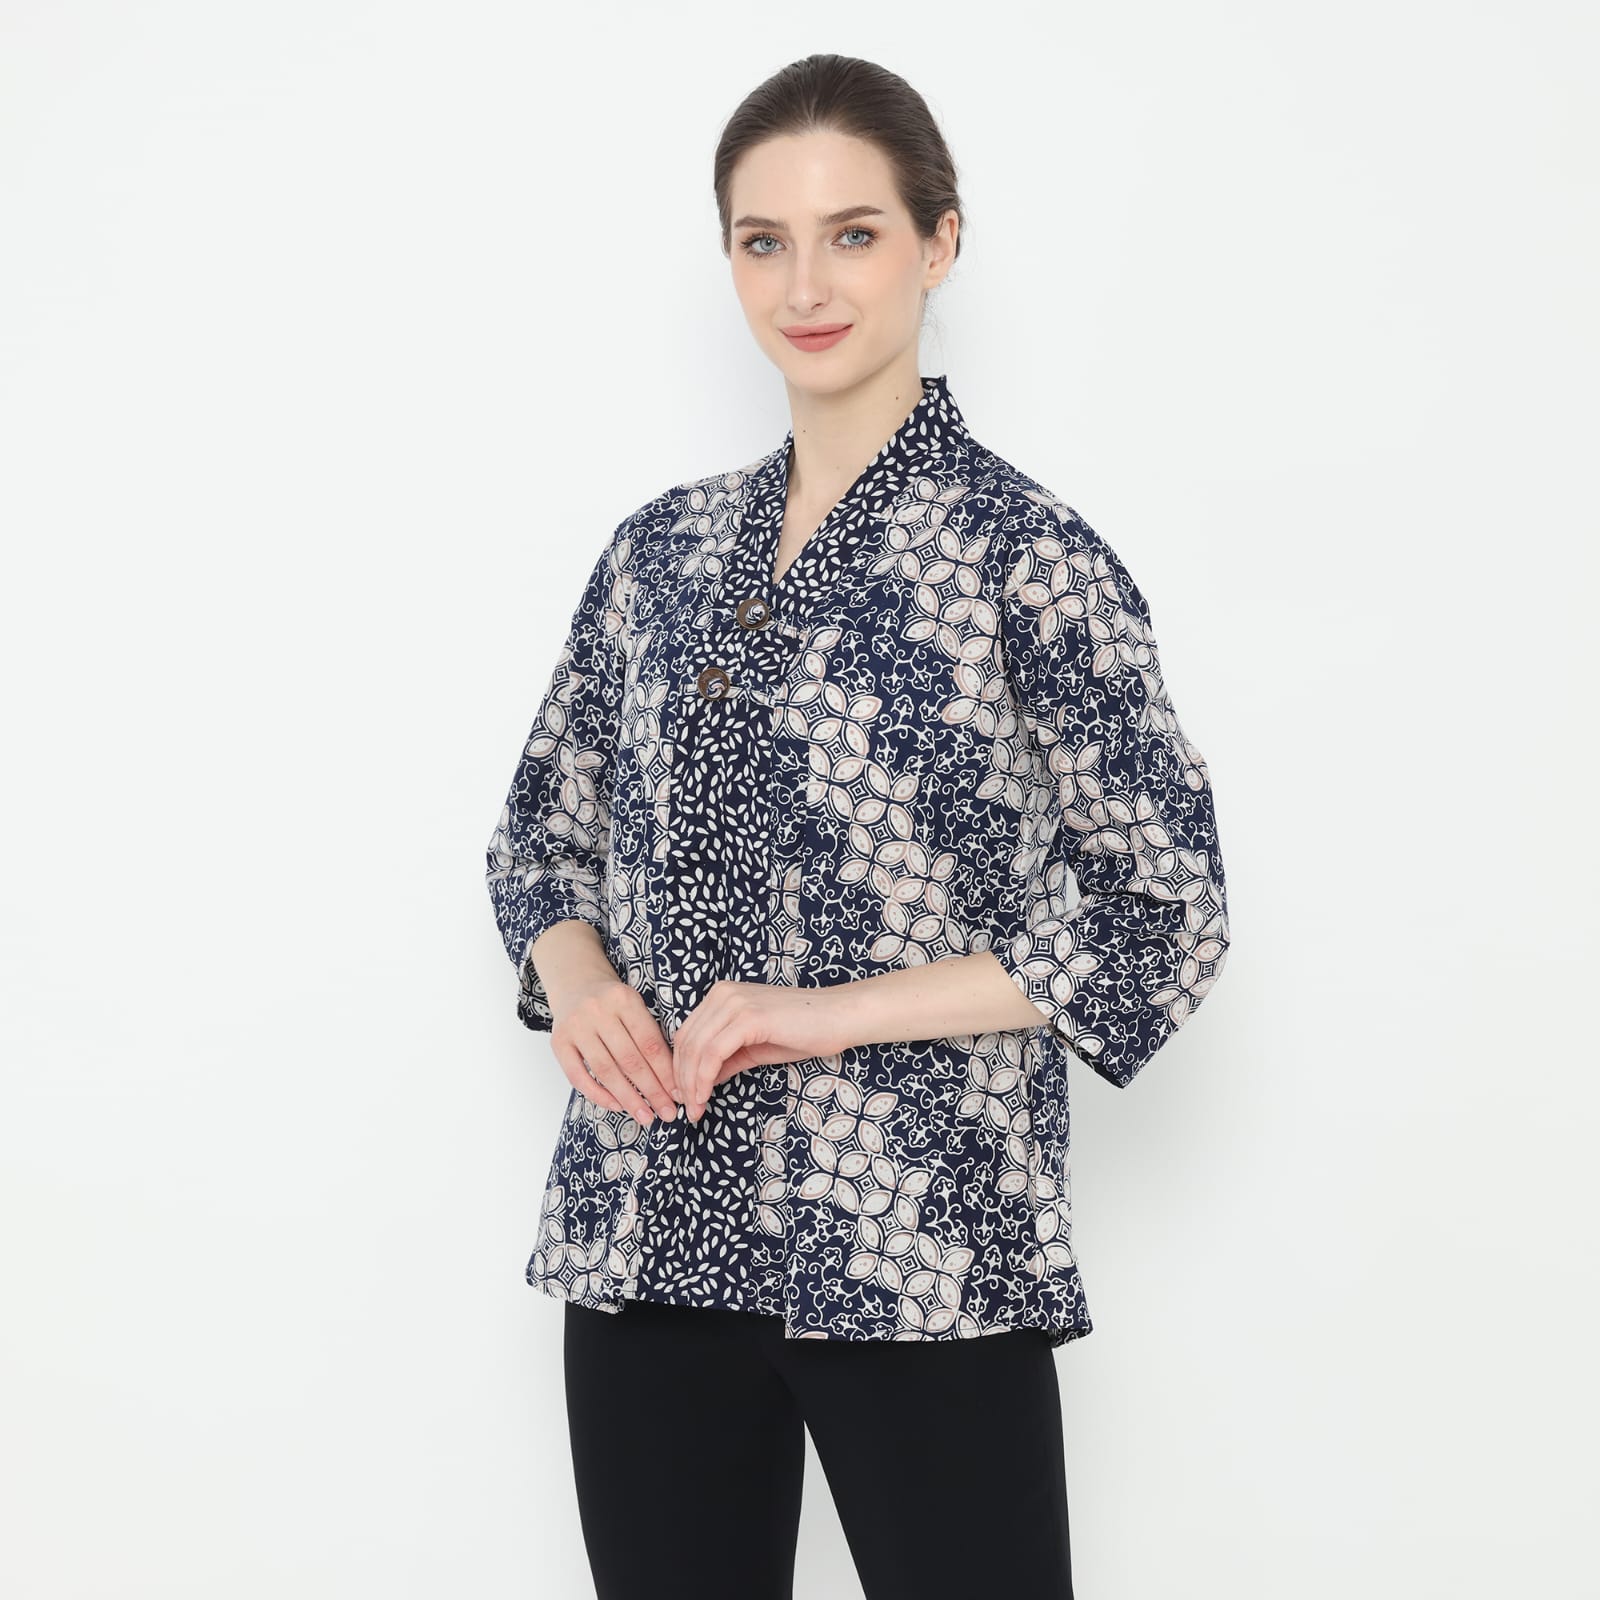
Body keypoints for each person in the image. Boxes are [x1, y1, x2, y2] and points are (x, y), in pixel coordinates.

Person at [484, 52, 1230, 1600]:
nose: (805, 286)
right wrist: (579, 976)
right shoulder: (659, 553)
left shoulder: (1029, 560)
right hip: (648, 1221)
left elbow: (1161, 911)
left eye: (854, 234)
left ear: (940, 243)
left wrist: (821, 1015)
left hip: (921, 1236)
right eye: (764, 241)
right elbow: (540, 833)